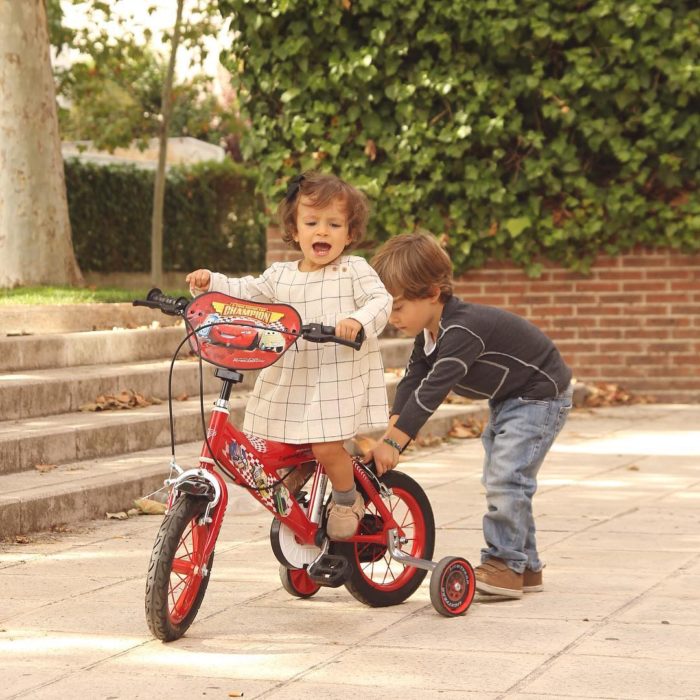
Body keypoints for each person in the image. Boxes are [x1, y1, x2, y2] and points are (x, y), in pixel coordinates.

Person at [186, 171, 392, 540]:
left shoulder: (354, 270)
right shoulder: (282, 275)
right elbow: (246, 291)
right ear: (295, 231)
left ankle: (347, 499)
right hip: (294, 375)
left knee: (326, 443)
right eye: (312, 223)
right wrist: (212, 282)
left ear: (350, 233)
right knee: (276, 440)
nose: (322, 232)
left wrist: (356, 321)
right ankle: (303, 482)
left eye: (334, 224)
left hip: (335, 376)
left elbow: (381, 301)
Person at [369, 232, 573, 598]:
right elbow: (412, 380)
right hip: (510, 397)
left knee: (506, 478)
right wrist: (390, 433)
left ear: (432, 293)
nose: (392, 317)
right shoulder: (430, 335)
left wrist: (395, 443)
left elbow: (433, 389)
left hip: (540, 395)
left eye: (398, 307)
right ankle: (526, 568)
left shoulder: (462, 330)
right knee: (506, 476)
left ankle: (504, 565)